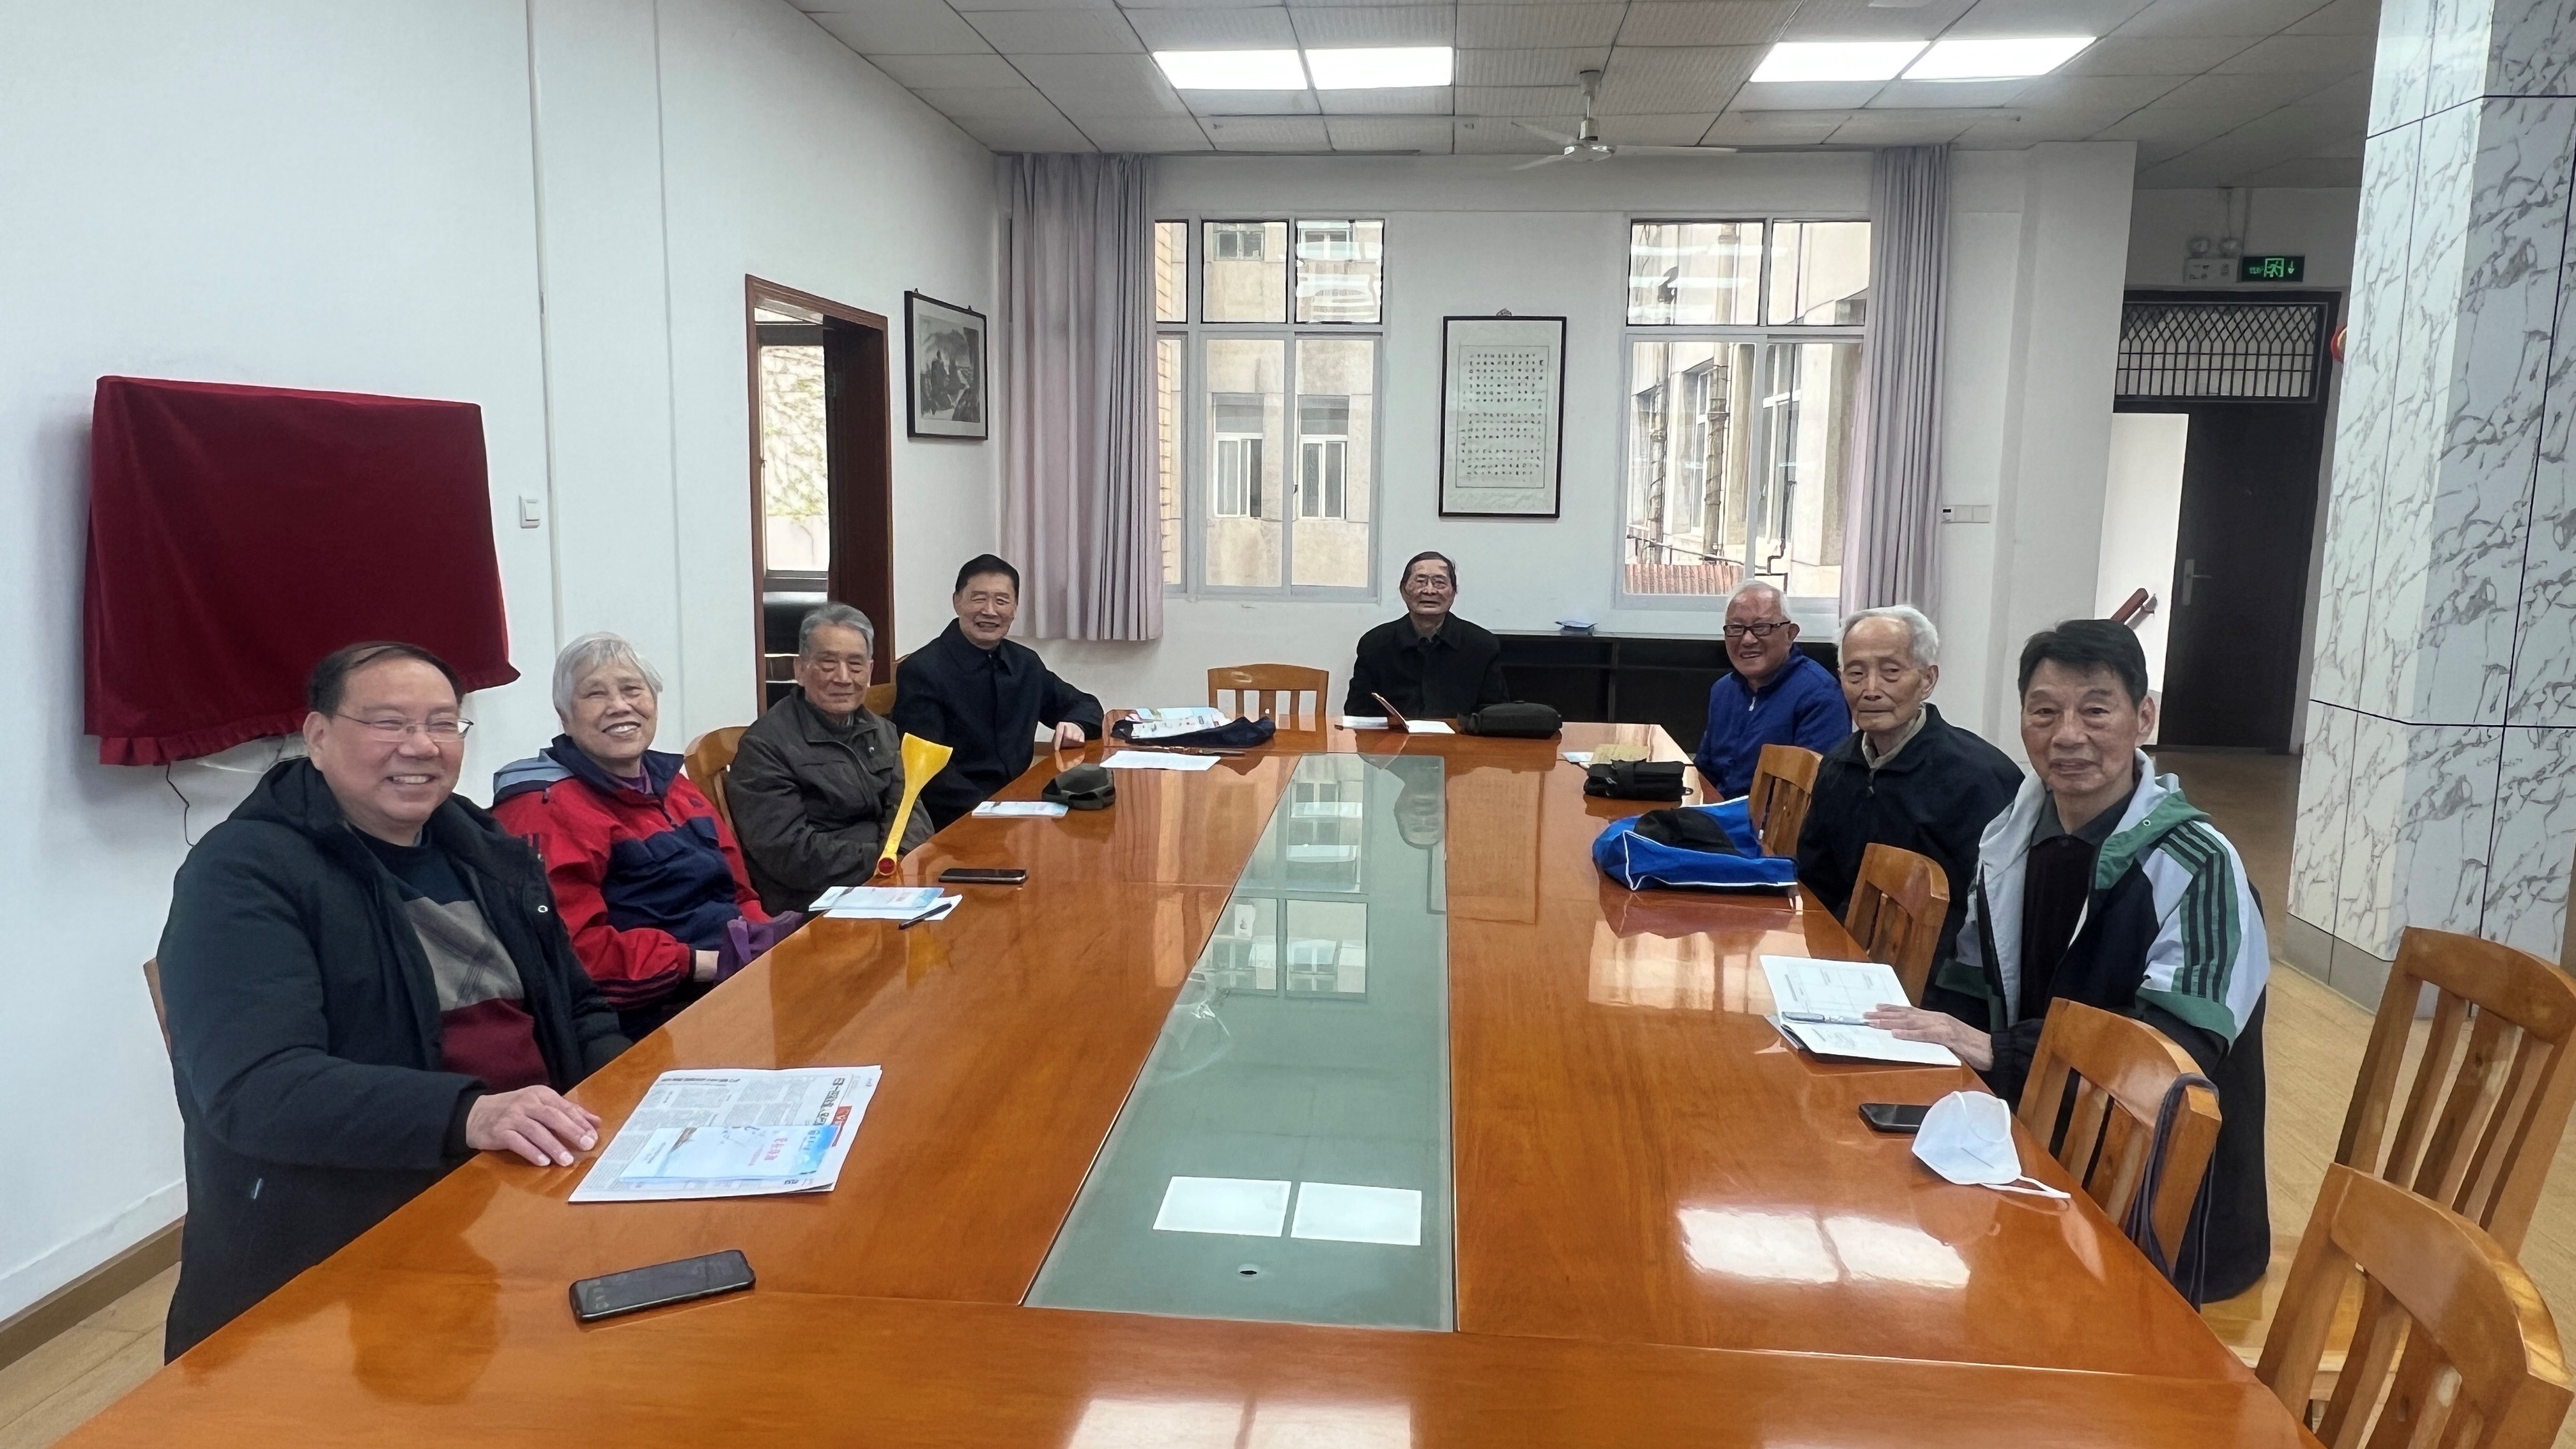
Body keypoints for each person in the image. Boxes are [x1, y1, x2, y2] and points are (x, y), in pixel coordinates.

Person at [156, 642, 625, 1358]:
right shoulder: (240, 875)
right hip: (352, 1244)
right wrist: (471, 1114)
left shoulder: (479, 844)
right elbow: (256, 1088)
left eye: (442, 724)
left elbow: (578, 1009)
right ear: (318, 736)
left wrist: (634, 1103)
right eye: (388, 723)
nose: (421, 746)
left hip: (527, 1184)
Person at [1865, 620, 2271, 1301]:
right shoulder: (2009, 837)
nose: (2068, 735)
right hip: (2019, 1157)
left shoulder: (2198, 866)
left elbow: (2171, 1058)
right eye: (2045, 712)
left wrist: (2002, 1051)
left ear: (2144, 717)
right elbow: (1969, 987)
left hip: (2163, 1218)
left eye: (2096, 711)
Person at [491, 632, 793, 1039]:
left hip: (728, 985)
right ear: (565, 716)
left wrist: (767, 945)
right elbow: (573, 955)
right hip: (648, 1018)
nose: (619, 705)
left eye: (632, 689)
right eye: (595, 694)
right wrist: (704, 963)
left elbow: (739, 893)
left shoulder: (673, 786)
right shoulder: (544, 807)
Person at [1795, 605, 2021, 1008]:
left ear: (1928, 680)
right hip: (1848, 967)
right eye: (1855, 673)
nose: (1870, 689)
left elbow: (1990, 922)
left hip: (1943, 988)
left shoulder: (1978, 778)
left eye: (1891, 672)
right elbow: (1817, 884)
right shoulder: (1839, 766)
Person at [730, 603, 938, 910]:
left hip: (885, 884)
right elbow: (789, 853)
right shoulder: (765, 747)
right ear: (800, 669)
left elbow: (909, 807)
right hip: (814, 900)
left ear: (869, 671)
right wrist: (884, 860)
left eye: (855, 665)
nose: (843, 678)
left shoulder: (882, 731)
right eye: (828, 663)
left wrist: (899, 859)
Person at [893, 556, 1105, 828]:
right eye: (978, 599)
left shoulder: (1025, 664)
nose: (990, 611)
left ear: (1015, 608)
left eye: (1002, 601)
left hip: (1018, 803)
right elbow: (929, 773)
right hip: (954, 819)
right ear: (957, 602)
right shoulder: (923, 670)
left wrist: (1076, 724)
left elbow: (1087, 706)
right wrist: (994, 811)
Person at [1692, 582, 1848, 799]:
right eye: (1736, 628)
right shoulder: (1723, 690)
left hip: (1773, 819)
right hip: (1716, 812)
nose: (1747, 640)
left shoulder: (1820, 696)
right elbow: (1704, 771)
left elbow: (1811, 794)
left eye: (1761, 627)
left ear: (1791, 634)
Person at [1342, 551, 1508, 718]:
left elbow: (1494, 714)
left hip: (1460, 735)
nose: (1429, 590)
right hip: (1394, 734)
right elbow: (1358, 712)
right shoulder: (1375, 644)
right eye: (1420, 582)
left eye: (1439, 583)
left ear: (1453, 593)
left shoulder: (1482, 645)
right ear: (1403, 591)